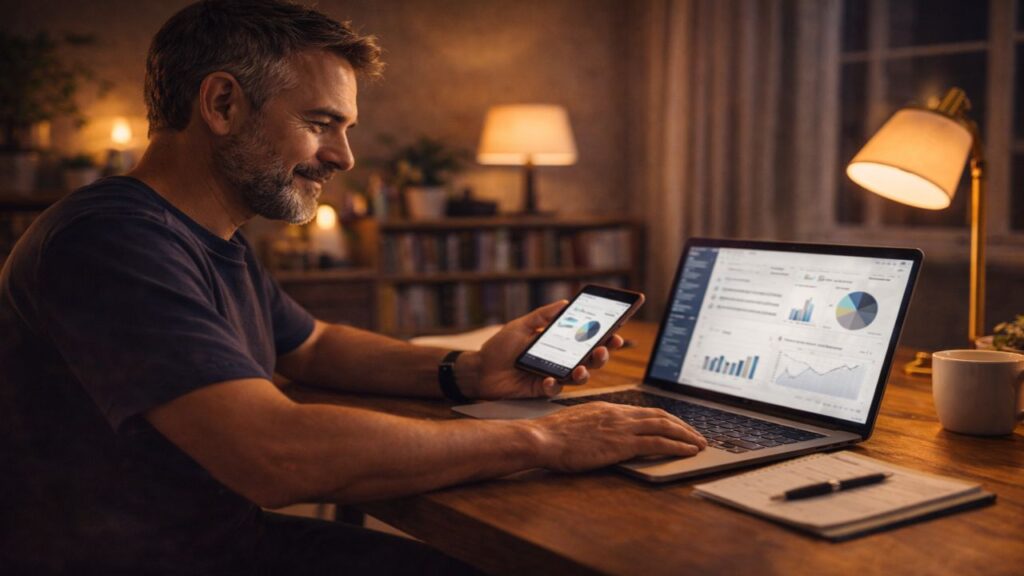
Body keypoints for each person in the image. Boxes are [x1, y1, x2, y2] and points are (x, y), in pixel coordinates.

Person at [0, 1, 706, 574]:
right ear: (221, 103)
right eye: (320, 124)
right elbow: (275, 454)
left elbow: (314, 345)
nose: (343, 156)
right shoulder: (110, 244)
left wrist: (469, 372)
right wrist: (546, 441)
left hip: (210, 543)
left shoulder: (209, 238)